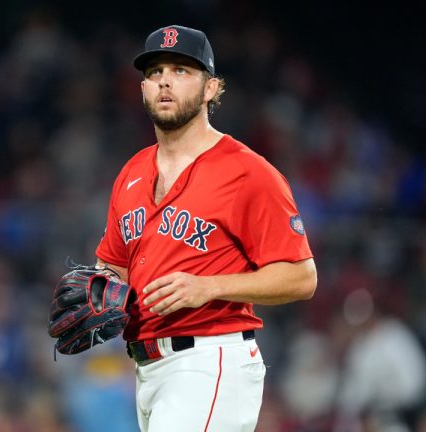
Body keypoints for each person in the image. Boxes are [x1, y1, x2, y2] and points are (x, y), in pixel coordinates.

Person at [94, 24, 317, 431]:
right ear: (143, 88)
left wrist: (210, 285)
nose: (165, 80)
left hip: (209, 360)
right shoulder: (131, 171)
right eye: (155, 71)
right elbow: (115, 266)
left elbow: (301, 277)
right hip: (146, 369)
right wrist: (99, 293)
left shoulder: (248, 172)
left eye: (181, 70)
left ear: (212, 88)